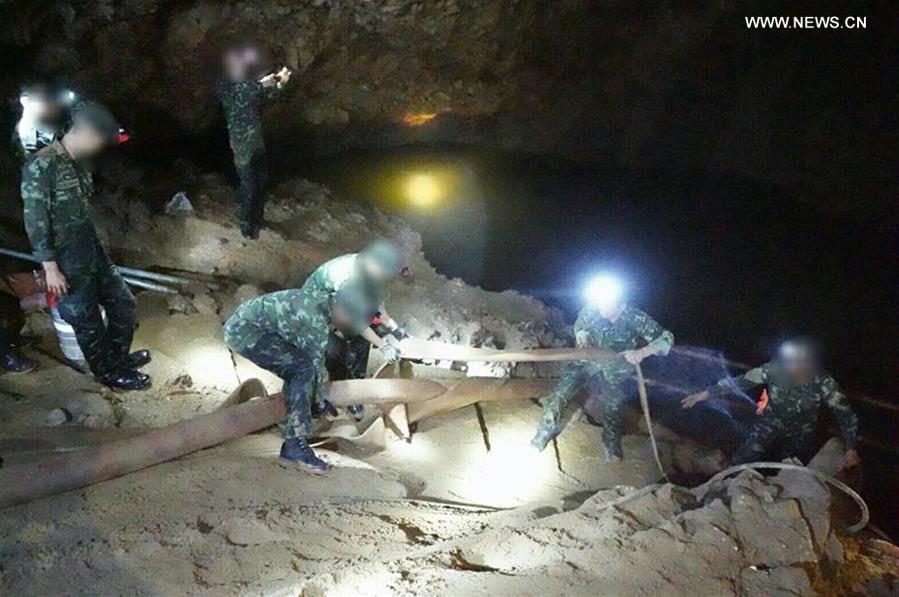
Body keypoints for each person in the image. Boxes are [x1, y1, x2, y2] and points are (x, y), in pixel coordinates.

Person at [21, 102, 151, 390]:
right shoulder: (42, 166)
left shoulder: (77, 162)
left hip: (88, 245)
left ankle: (117, 359)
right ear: (84, 131)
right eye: (99, 139)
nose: (101, 145)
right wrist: (50, 267)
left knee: (123, 302)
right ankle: (107, 372)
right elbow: (36, 219)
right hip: (63, 256)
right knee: (84, 316)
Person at [223, 283, 374, 471]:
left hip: (263, 327)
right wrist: (318, 402)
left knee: (304, 364)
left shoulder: (326, 304)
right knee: (302, 369)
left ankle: (292, 413)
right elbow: (316, 366)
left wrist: (316, 397)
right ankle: (294, 446)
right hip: (245, 332)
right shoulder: (315, 320)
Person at [531, 276, 674, 461]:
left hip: (617, 365)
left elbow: (666, 338)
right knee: (559, 393)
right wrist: (582, 339)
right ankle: (545, 430)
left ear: (619, 303)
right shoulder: (593, 308)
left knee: (612, 405)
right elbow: (581, 325)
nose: (600, 308)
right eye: (599, 303)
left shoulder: (635, 317)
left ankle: (611, 441)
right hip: (588, 358)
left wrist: (643, 352)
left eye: (605, 305)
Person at [682, 337, 860, 469]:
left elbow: (846, 415)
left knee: (791, 467)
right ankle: (727, 486)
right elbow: (741, 381)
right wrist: (704, 394)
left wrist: (851, 448)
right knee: (743, 458)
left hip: (801, 431)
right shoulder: (775, 369)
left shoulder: (824, 382)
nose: (792, 370)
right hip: (769, 422)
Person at [299, 240, 409, 417]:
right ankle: (342, 392)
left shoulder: (371, 268)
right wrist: (383, 345)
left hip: (340, 304)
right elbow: (354, 321)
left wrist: (393, 327)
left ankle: (357, 382)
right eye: (385, 272)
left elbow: (377, 301)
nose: (386, 277)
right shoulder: (350, 278)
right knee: (335, 352)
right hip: (313, 311)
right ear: (375, 263)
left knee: (362, 342)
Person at [216, 44, 292, 238]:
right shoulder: (225, 84)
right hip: (242, 143)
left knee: (261, 179)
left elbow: (265, 95)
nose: (243, 65)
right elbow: (243, 95)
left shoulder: (246, 82)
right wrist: (262, 84)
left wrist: (280, 82)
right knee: (248, 184)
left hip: (256, 139)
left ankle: (258, 219)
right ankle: (246, 226)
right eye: (239, 62)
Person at [13, 81, 72, 159]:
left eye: (54, 97)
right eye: (45, 98)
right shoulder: (24, 135)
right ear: (26, 102)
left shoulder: (65, 118)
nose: (53, 104)